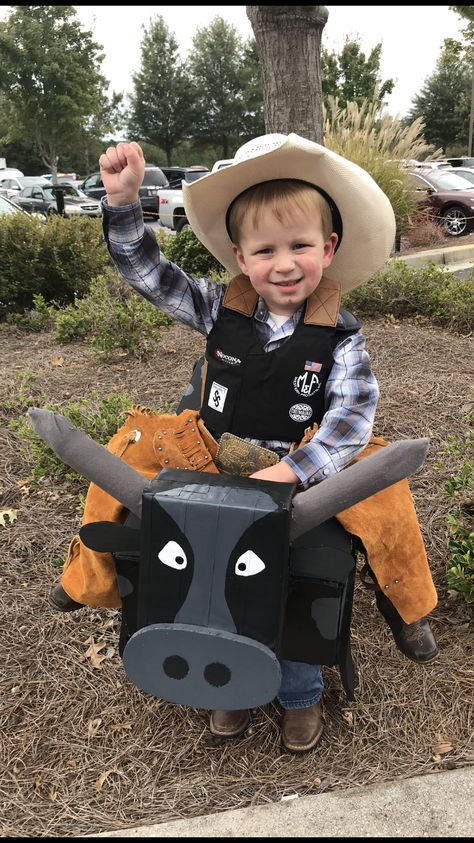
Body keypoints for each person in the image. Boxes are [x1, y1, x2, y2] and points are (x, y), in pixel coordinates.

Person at [50, 133, 439, 753]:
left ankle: (340, 661)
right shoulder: (217, 307)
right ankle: (99, 588)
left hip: (295, 471)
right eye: (265, 250)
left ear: (328, 248)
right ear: (240, 256)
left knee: (324, 553)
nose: (284, 264)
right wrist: (123, 205)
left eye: (300, 246)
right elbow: (149, 275)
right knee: (133, 476)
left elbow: (352, 415)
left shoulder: (341, 338)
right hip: (210, 460)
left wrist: (293, 473)